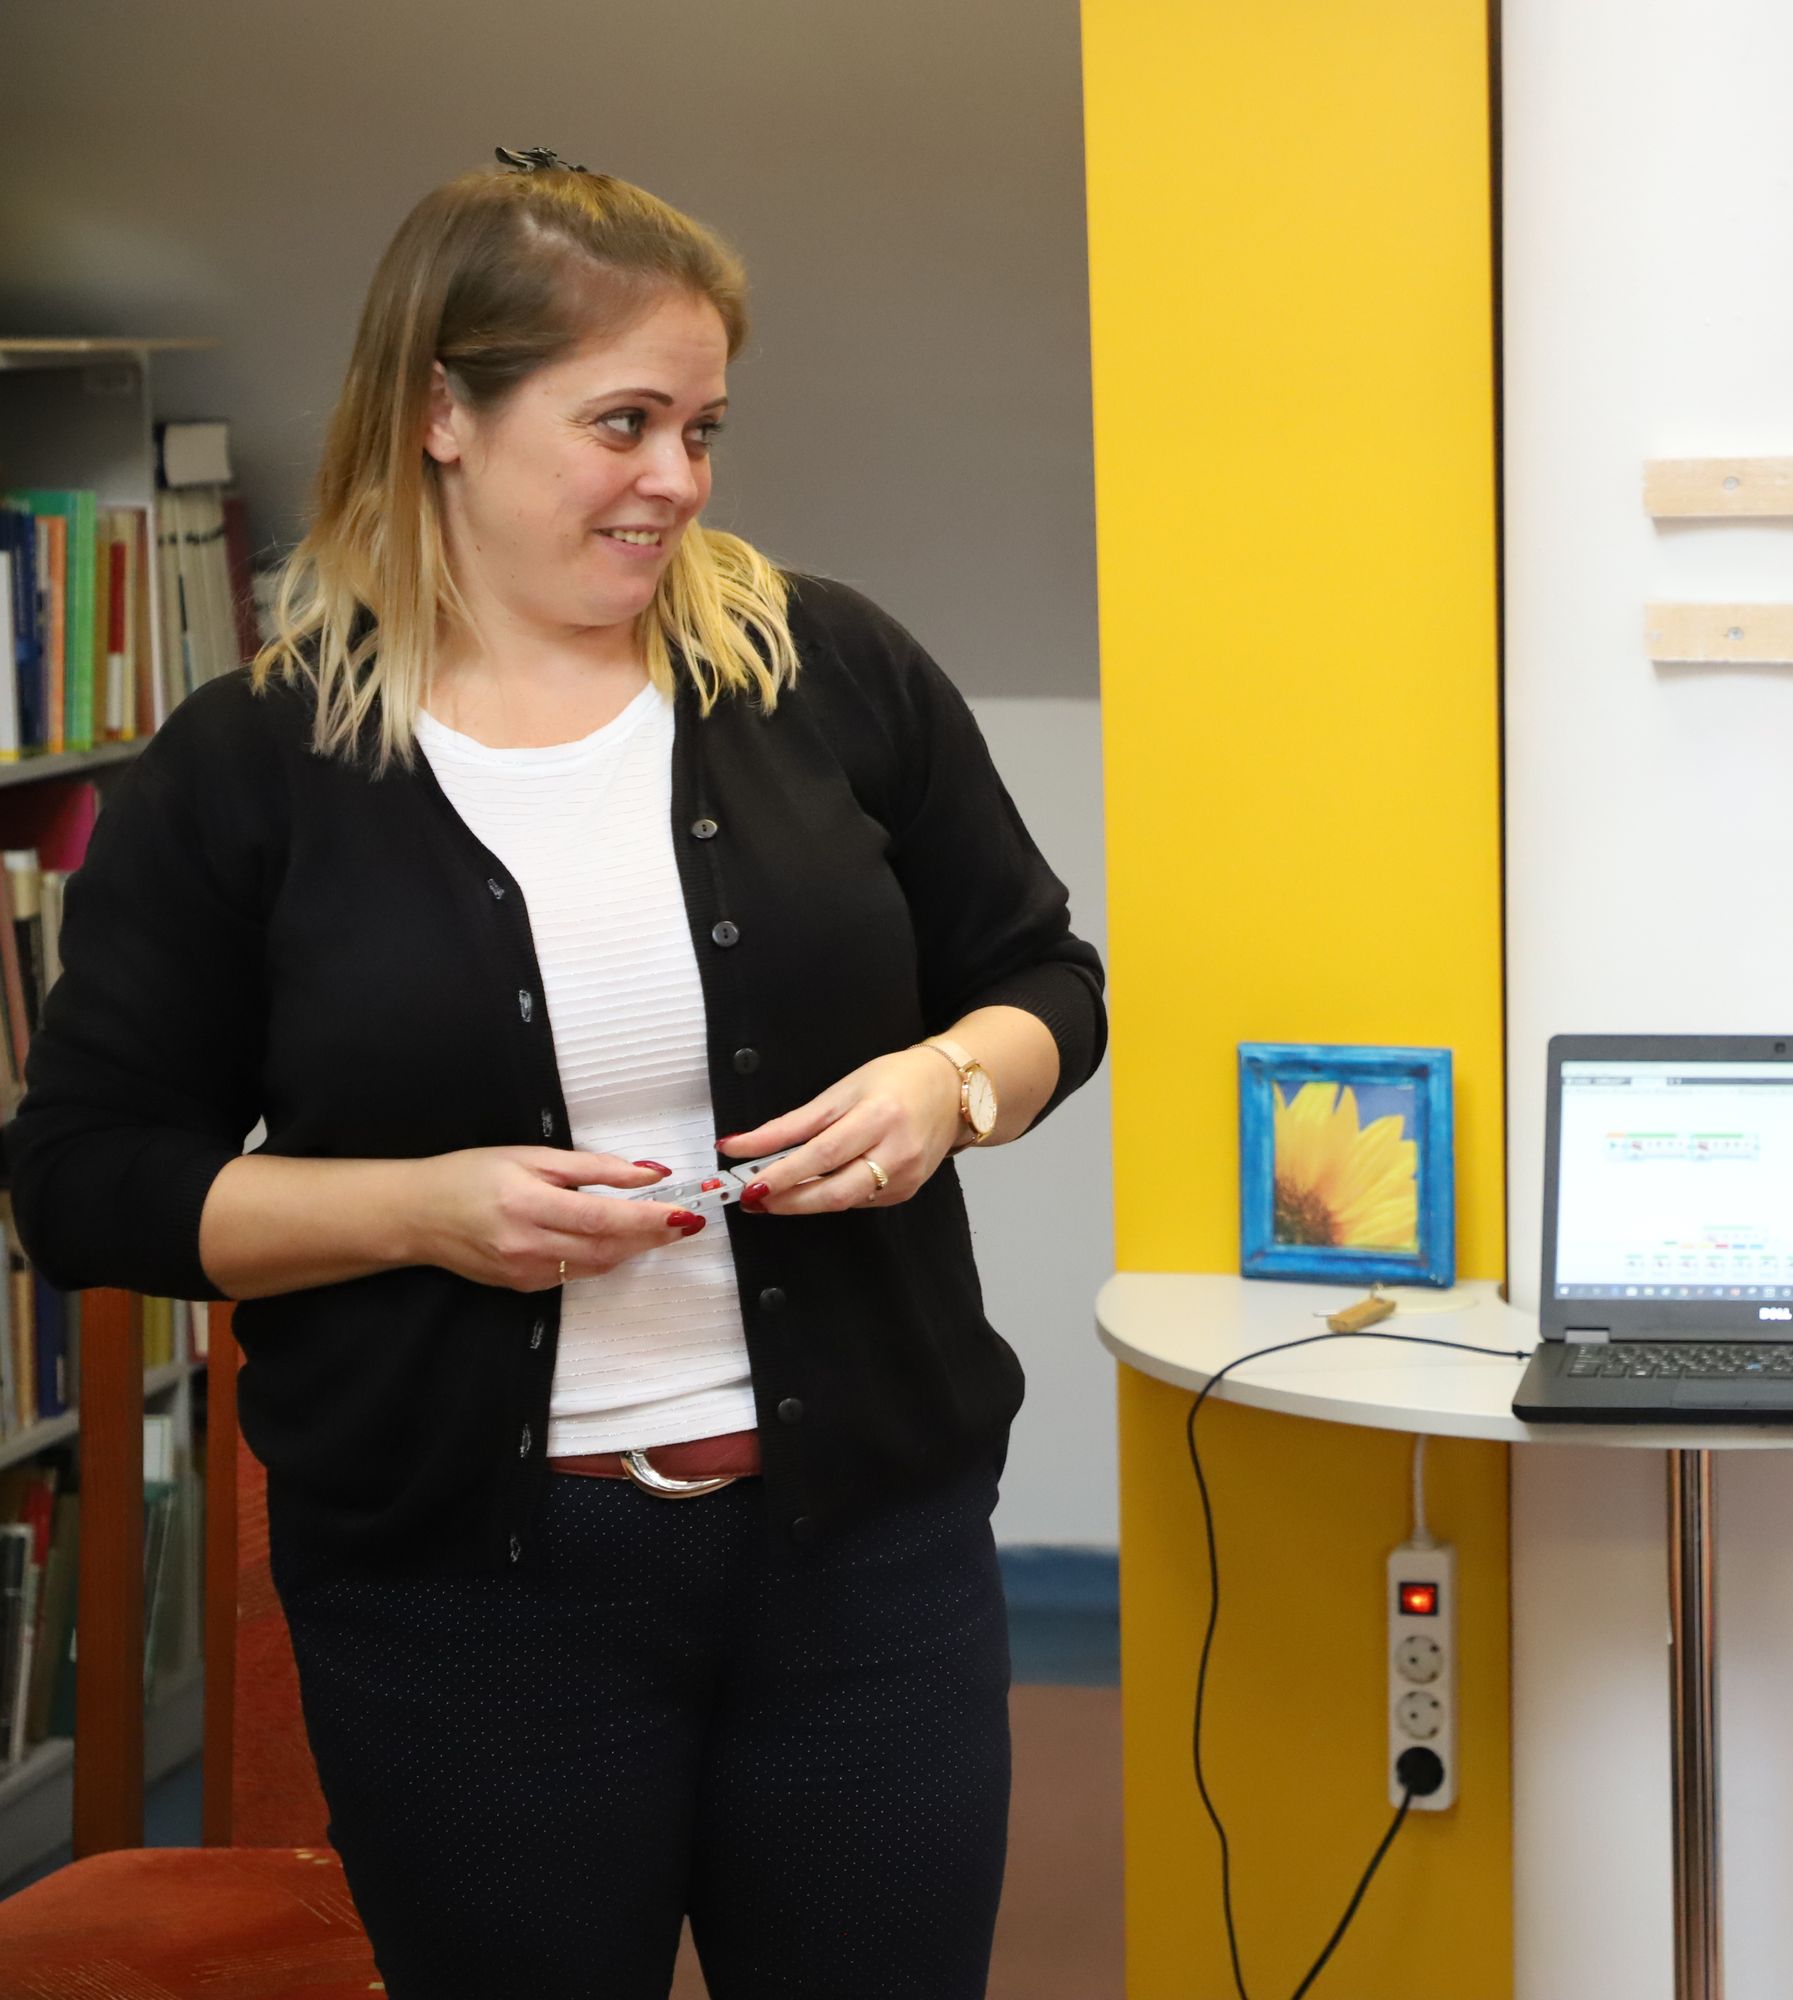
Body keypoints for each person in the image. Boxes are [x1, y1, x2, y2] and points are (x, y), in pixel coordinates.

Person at [5, 153, 1104, 2000]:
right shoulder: (250, 766)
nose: (677, 478)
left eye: (703, 428)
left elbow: (1042, 978)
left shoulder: (825, 668)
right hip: (467, 1604)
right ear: (443, 411)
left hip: (869, 1561)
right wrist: (424, 1213)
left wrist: (950, 1087)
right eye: (622, 423)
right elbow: (87, 1181)